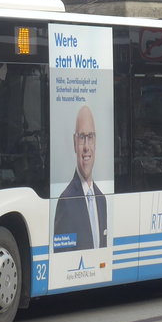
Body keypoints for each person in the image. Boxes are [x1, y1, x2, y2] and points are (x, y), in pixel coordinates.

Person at [54, 104, 107, 251]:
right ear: (74, 142)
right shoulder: (66, 201)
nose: (86, 147)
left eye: (90, 137)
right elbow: (61, 256)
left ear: (95, 142)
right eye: (81, 137)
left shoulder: (102, 200)